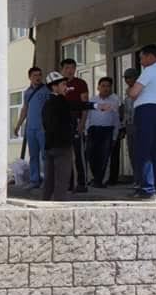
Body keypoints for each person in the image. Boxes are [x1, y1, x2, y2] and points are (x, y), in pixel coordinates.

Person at [42, 72, 111, 201]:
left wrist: (95, 106)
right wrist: (96, 106)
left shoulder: (48, 103)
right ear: (54, 87)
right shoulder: (61, 100)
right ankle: (58, 205)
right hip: (62, 146)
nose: (66, 87)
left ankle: (45, 203)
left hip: (50, 146)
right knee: (62, 180)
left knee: (49, 180)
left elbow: (48, 125)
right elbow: (76, 105)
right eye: (63, 84)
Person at [128, 44, 156, 201]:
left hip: (147, 111)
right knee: (155, 150)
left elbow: (134, 93)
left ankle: (147, 188)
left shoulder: (149, 70)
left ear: (150, 56)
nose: (140, 62)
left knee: (144, 150)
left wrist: (129, 90)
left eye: (141, 58)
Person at [14, 67, 50, 188]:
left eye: (39, 75)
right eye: (35, 75)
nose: (38, 77)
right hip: (30, 128)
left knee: (45, 155)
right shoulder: (27, 92)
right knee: (33, 155)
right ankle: (35, 180)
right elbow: (25, 109)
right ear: (30, 77)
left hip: (43, 128)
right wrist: (18, 125)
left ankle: (47, 180)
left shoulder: (46, 90)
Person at [85, 77, 121, 188]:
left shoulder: (114, 102)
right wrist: (86, 131)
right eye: (103, 86)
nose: (106, 88)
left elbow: (116, 120)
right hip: (93, 131)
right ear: (98, 87)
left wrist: (115, 136)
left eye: (108, 86)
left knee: (104, 157)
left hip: (107, 131)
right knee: (91, 156)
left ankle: (98, 180)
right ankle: (95, 178)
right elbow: (87, 117)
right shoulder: (92, 100)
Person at [61, 58, 90, 192]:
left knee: (79, 154)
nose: (70, 70)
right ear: (62, 69)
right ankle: (69, 183)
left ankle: (82, 183)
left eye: (72, 67)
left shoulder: (80, 83)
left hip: (76, 120)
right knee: (65, 154)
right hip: (62, 122)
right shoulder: (59, 84)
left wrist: (82, 123)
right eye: (67, 68)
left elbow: (85, 105)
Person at [122, 68, 140, 187]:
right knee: (132, 154)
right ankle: (137, 179)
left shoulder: (140, 90)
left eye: (130, 77)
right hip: (129, 125)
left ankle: (143, 180)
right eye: (126, 78)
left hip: (139, 125)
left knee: (141, 154)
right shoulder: (127, 92)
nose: (128, 80)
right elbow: (126, 111)